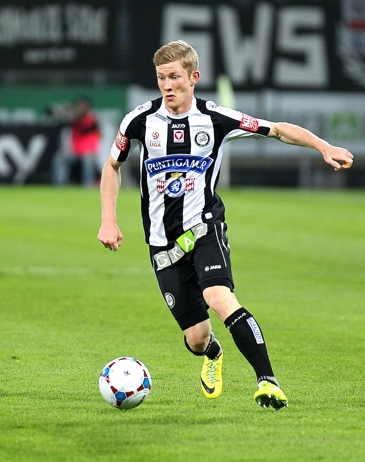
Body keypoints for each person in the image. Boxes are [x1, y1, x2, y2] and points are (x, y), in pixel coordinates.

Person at [98, 40, 353, 410]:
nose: (167, 86)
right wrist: (109, 219)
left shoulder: (216, 118)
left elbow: (278, 129)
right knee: (196, 338)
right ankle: (213, 353)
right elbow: (112, 167)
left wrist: (323, 147)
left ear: (193, 78)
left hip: (204, 228)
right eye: (160, 79)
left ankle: (268, 381)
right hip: (161, 243)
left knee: (219, 298)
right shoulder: (138, 121)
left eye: (174, 77)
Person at [54, 97, 101, 187]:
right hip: (75, 152)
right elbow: (63, 123)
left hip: (89, 152)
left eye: (83, 106)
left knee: (88, 160)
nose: (80, 108)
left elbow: (84, 126)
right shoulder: (73, 117)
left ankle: (87, 186)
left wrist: (72, 112)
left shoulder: (91, 118)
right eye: (79, 106)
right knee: (59, 158)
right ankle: (59, 186)